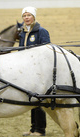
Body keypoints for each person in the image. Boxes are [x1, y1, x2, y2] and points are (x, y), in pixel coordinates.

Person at [19, 6, 50, 136]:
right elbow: (20, 50)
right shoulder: (23, 33)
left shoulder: (41, 31)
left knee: (39, 99)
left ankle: (40, 130)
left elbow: (46, 50)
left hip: (39, 71)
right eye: (24, 16)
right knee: (32, 100)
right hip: (27, 70)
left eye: (28, 15)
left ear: (34, 17)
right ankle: (33, 128)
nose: (26, 18)